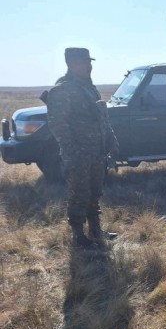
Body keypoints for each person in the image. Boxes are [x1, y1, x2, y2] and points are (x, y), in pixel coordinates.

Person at [46, 47, 119, 248]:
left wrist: (111, 140)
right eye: (85, 62)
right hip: (78, 155)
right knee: (79, 194)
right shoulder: (62, 90)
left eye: (90, 61)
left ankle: (96, 231)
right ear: (71, 64)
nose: (89, 66)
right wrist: (74, 152)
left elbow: (101, 118)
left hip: (97, 152)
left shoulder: (89, 87)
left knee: (95, 192)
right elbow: (58, 126)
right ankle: (79, 236)